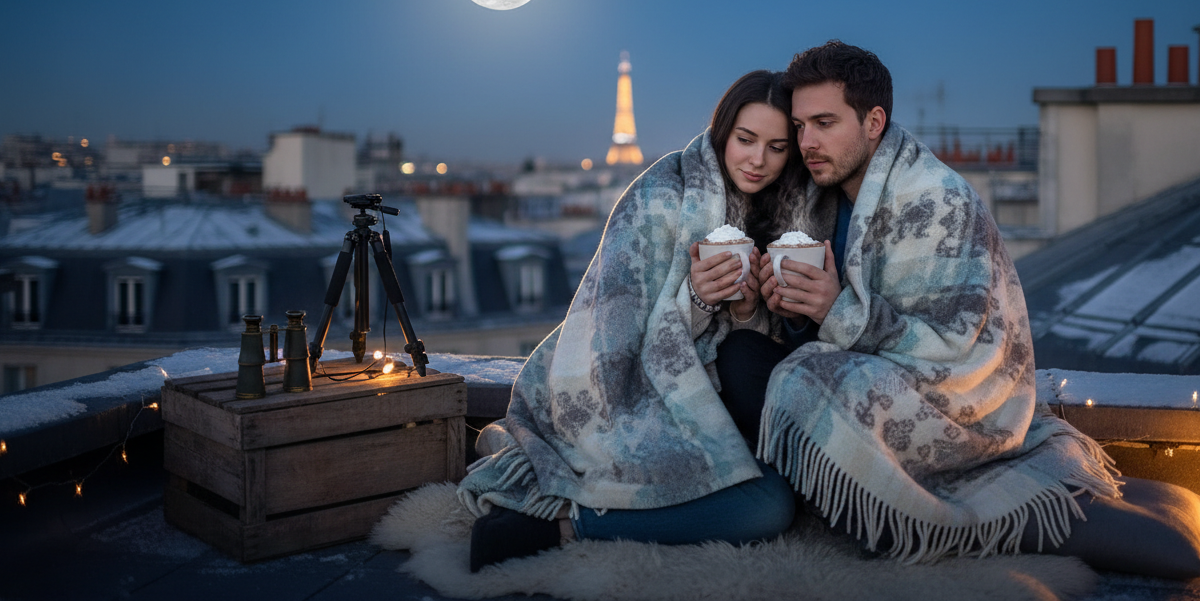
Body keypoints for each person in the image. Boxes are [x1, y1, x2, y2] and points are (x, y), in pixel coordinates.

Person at [746, 40, 1120, 560]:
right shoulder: (817, 198)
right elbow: (821, 326)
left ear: (874, 121)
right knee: (740, 356)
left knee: (807, 382)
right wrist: (791, 309)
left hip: (957, 399)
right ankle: (804, 489)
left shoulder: (938, 201)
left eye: (825, 123)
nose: (807, 141)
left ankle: (855, 508)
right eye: (802, 126)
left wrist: (836, 310)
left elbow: (950, 348)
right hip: (867, 363)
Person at [460, 70, 811, 572]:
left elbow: (752, 353)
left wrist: (746, 310)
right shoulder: (658, 197)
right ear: (721, 133)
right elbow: (612, 329)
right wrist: (696, 298)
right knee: (767, 507)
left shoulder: (788, 212)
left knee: (774, 499)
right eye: (746, 139)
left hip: (720, 404)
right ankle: (565, 525)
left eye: (777, 147)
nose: (759, 160)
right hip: (633, 401)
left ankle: (586, 519)